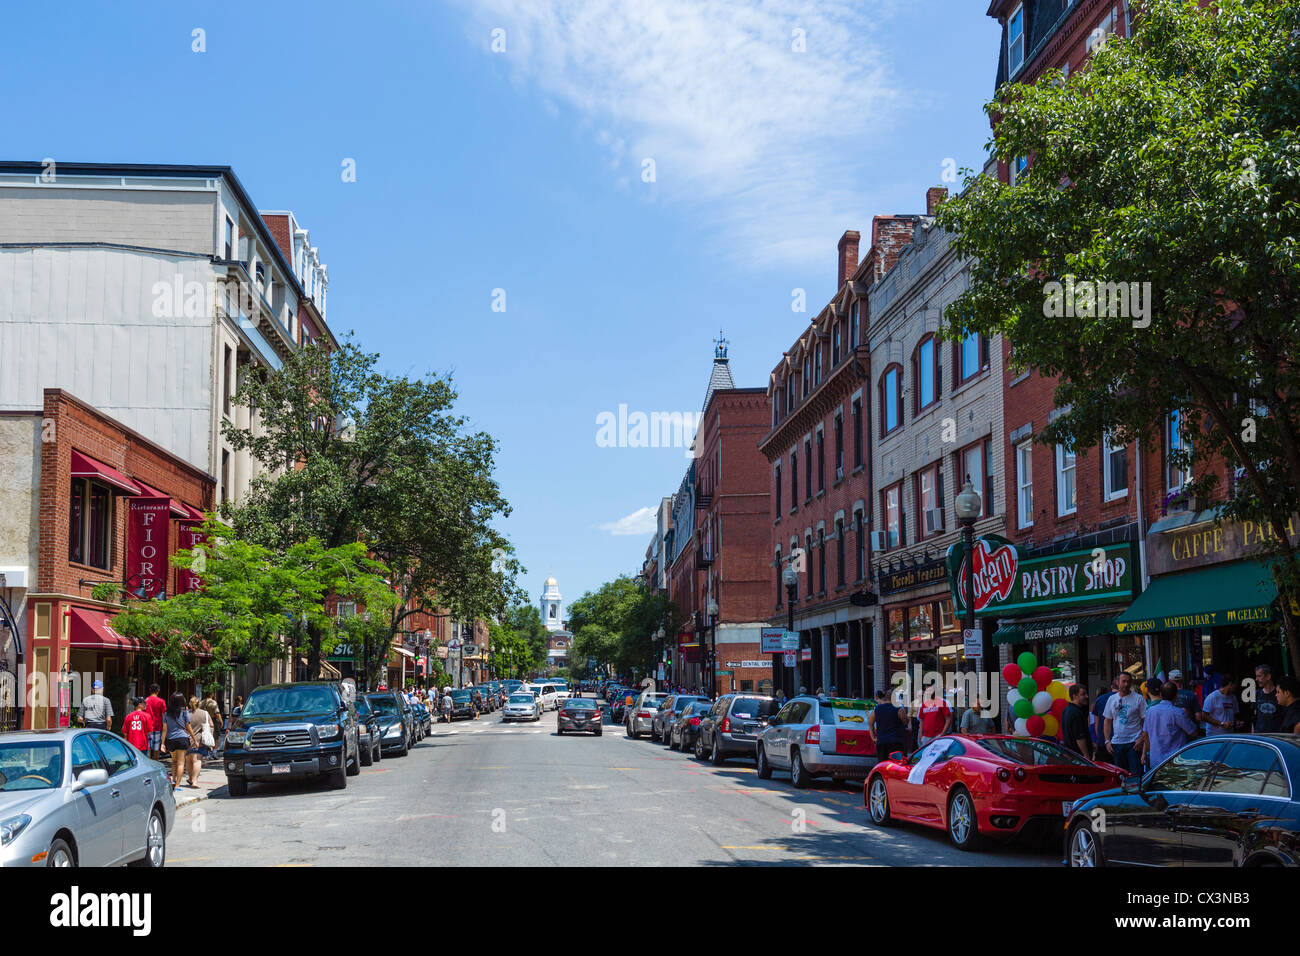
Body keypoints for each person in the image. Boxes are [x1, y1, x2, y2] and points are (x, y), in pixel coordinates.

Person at [1139, 681, 1198, 769]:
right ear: (1176, 695)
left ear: (1160, 695)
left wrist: (1153, 750)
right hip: (1175, 761)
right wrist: (1188, 715)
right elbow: (1194, 732)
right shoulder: (1178, 712)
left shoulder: (1150, 711)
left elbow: (1145, 734)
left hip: (1156, 761)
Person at [1103, 672, 1146, 774]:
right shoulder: (1112, 699)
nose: (1126, 684)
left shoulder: (1138, 698)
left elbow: (1145, 721)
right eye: (1124, 681)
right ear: (1117, 682)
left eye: (1128, 682)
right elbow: (1107, 720)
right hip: (1117, 743)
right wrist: (1107, 741)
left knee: (1135, 775)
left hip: (1134, 743)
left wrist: (1141, 738)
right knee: (1120, 776)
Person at [162, 692, 199, 789]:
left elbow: (165, 729)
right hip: (182, 738)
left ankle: (173, 780)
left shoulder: (166, 713)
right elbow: (188, 726)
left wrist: (162, 743)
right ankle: (177, 785)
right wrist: (194, 740)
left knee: (174, 761)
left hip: (170, 739)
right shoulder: (184, 712)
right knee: (181, 763)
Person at [868, 688, 908, 759]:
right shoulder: (899, 709)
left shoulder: (877, 709)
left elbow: (870, 723)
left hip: (881, 742)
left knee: (883, 763)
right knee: (896, 764)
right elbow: (905, 722)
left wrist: (873, 737)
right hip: (896, 742)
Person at [188, 695, 215, 782]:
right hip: (200, 740)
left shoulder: (186, 714)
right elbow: (211, 725)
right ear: (199, 704)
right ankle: (194, 780)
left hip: (187, 740)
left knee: (189, 760)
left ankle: (190, 778)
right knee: (197, 760)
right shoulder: (205, 713)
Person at [1061, 684, 1093, 760]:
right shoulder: (1076, 713)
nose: (1087, 696)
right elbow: (1079, 737)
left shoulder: (1066, 710)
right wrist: (1086, 756)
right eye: (1083, 694)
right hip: (1078, 757)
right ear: (1075, 696)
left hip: (1070, 754)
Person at [1252, 664, 1281, 734]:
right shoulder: (1256, 694)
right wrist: (1253, 734)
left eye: (1259, 676)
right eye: (1256, 676)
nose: (1256, 679)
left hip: (1276, 736)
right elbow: (1254, 717)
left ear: (1268, 676)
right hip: (1259, 736)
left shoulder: (1279, 694)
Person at [1092, 678, 1117, 753]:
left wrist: (1099, 737)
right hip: (1121, 740)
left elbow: (1096, 722)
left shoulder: (1100, 699)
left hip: (1103, 740)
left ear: (1111, 686)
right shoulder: (1125, 699)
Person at [145, 683, 168, 758]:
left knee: (148, 748)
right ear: (158, 690)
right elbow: (164, 715)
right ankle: (156, 762)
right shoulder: (161, 701)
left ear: (150, 690)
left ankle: (148, 763)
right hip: (158, 727)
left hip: (147, 727)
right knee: (156, 749)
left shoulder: (146, 701)